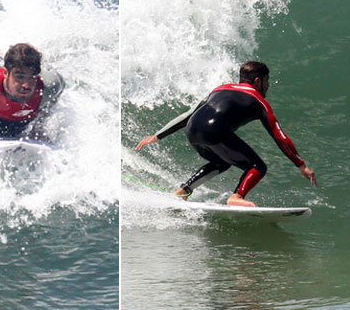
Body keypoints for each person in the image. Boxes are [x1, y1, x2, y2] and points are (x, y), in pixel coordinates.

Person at [135, 61, 316, 207]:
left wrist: (157, 135)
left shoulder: (219, 89)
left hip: (192, 130)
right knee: (257, 166)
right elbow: (279, 136)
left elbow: (188, 115)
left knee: (221, 161)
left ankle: (183, 191)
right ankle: (237, 196)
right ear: (258, 81)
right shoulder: (260, 102)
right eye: (267, 81)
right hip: (215, 131)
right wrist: (300, 164)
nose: (267, 86)